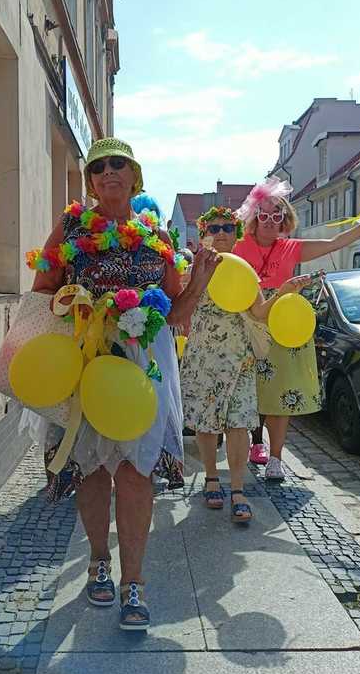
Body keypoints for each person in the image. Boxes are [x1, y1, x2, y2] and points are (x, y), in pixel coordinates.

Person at [28, 138, 219, 631]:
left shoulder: (155, 234)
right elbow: (42, 292)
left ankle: (135, 581)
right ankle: (98, 561)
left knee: (136, 472)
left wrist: (198, 279)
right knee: (92, 470)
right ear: (90, 181)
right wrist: (83, 309)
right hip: (85, 361)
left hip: (141, 367)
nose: (108, 172)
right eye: (98, 166)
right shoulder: (71, 227)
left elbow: (176, 313)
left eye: (118, 164)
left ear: (135, 175)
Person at [233, 177, 360, 480]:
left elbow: (335, 243)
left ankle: (275, 459)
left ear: (285, 220)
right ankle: (256, 439)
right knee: (253, 390)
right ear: (254, 217)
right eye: (264, 213)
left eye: (277, 215)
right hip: (249, 324)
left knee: (282, 392)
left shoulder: (292, 248)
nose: (270, 220)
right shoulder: (239, 248)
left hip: (287, 326)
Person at [180, 206, 309, 523]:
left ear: (236, 233)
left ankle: (237, 489)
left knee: (239, 423)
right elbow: (179, 308)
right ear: (204, 234)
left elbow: (260, 313)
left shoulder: (246, 270)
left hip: (240, 358)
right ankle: (212, 478)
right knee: (207, 423)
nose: (221, 233)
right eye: (214, 228)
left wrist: (283, 291)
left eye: (227, 227)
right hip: (205, 357)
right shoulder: (191, 268)